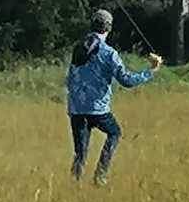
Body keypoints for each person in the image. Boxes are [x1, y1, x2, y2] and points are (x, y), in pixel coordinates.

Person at [66, 9, 163, 185]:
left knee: (80, 152)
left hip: (76, 108)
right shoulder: (108, 53)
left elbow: (70, 78)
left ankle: (74, 184)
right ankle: (100, 175)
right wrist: (151, 71)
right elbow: (127, 81)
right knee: (114, 133)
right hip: (98, 109)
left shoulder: (78, 49)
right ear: (108, 28)